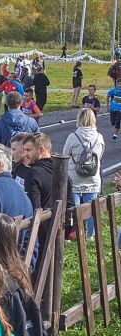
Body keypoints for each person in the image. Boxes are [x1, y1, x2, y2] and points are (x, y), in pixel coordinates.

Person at [63, 108, 105, 239]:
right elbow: (100, 156)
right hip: (92, 177)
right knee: (92, 208)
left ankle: (74, 232)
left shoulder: (73, 137)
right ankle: (90, 235)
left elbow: (65, 154)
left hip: (74, 177)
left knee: (73, 209)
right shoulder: (99, 137)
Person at [106, 78, 121, 142]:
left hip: (119, 110)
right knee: (113, 123)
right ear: (116, 84)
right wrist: (108, 106)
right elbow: (108, 97)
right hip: (112, 109)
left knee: (118, 122)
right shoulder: (113, 90)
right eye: (119, 84)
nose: (120, 85)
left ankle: (115, 136)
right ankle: (116, 129)